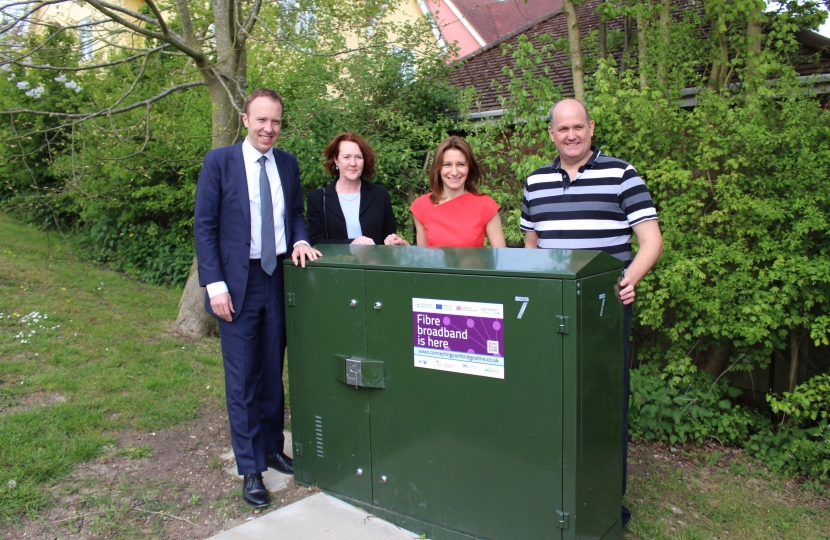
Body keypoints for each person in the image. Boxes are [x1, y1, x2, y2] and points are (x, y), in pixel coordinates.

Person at [520, 98, 663, 528]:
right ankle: (551, 492)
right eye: (562, 129)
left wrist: (628, 279)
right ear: (551, 134)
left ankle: (603, 503)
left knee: (602, 405)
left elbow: (650, 240)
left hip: (603, 311)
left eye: (578, 127)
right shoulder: (536, 182)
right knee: (549, 402)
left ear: (591, 127)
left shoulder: (622, 174)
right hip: (551, 312)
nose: (571, 135)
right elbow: (530, 242)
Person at [194, 88, 322, 508]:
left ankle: (270, 446)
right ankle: (250, 467)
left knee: (272, 370)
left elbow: (297, 214)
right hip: (237, 283)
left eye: (277, 122)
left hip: (278, 278)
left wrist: (301, 240)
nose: (269, 129)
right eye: (262, 120)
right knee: (243, 377)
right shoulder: (220, 162)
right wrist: (214, 286)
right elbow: (205, 227)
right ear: (245, 119)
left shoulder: (287, 163)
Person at [307, 132, 408, 246]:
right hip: (336, 263)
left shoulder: (380, 194)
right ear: (336, 160)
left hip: (375, 262)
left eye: (358, 157)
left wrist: (393, 241)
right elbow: (316, 242)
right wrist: (351, 244)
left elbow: (389, 236)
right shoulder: (318, 199)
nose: (353, 163)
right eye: (346, 157)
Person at [410, 136, 506, 248]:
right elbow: (423, 257)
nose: (454, 172)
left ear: (469, 167)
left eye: (461, 164)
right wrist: (405, 248)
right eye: (447, 165)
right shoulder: (421, 205)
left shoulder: (486, 205)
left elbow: (501, 258)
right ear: (438, 168)